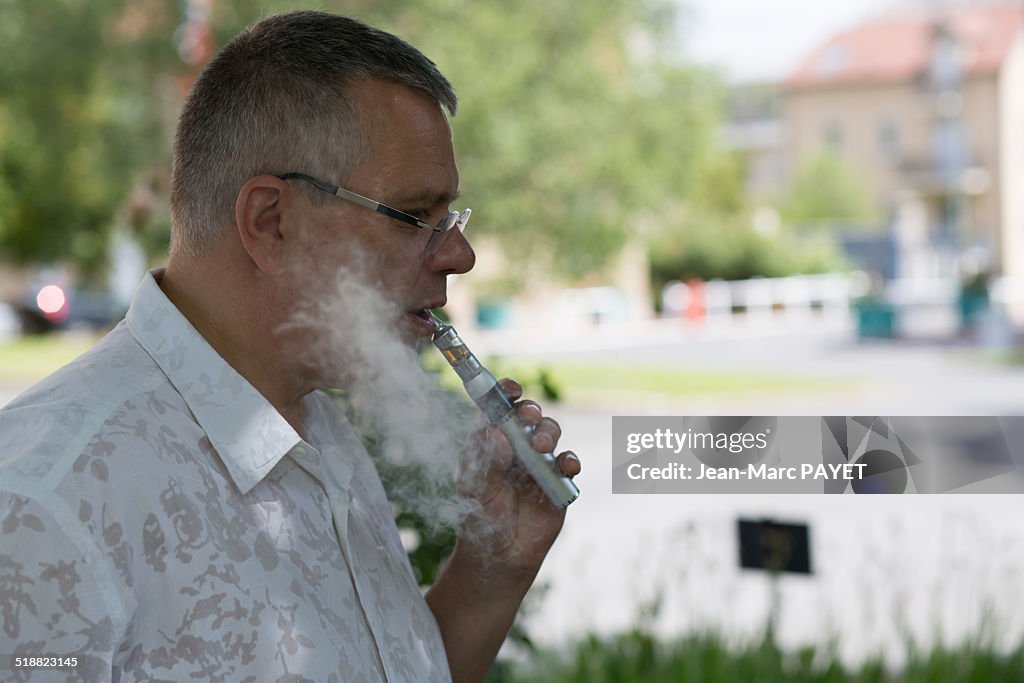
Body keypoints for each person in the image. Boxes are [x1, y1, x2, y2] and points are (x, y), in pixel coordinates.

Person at [0, 11, 580, 682]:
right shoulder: (44, 508)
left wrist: (491, 569)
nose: (460, 253)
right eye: (417, 216)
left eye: (451, 218)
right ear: (271, 223)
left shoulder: (317, 426)